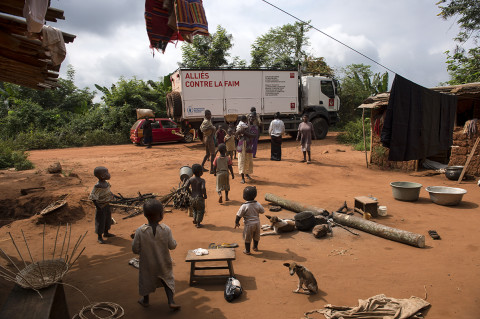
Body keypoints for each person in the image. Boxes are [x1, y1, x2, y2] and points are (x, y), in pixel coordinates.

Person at [132, 199, 180, 310]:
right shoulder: (166, 229)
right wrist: (175, 243)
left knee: (145, 280)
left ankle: (145, 300)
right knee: (167, 280)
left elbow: (135, 249)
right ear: (161, 215)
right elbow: (172, 246)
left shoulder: (140, 231)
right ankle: (171, 301)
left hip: (147, 264)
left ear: (145, 215)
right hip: (164, 262)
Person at [89, 166, 116, 244]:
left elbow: (108, 191)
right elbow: (93, 197)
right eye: (106, 173)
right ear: (102, 176)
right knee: (100, 221)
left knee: (107, 219)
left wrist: (111, 195)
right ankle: (99, 237)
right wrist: (98, 206)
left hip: (107, 205)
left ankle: (106, 232)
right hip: (101, 207)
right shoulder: (98, 186)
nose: (109, 174)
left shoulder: (106, 183)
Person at [234, 186, 264, 255]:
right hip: (257, 223)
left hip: (248, 225)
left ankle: (247, 250)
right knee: (256, 236)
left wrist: (236, 222)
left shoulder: (244, 206)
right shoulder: (257, 204)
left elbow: (239, 215)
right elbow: (262, 211)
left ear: (244, 196)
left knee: (248, 237)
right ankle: (255, 247)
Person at [236, 115, 256, 184]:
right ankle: (242, 177)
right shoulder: (243, 125)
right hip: (242, 144)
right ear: (247, 119)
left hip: (248, 144)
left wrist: (244, 133)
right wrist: (241, 133)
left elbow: (254, 135)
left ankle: (247, 174)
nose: (251, 119)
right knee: (242, 159)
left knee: (248, 159)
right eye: (250, 118)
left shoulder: (251, 126)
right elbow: (237, 134)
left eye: (253, 118)